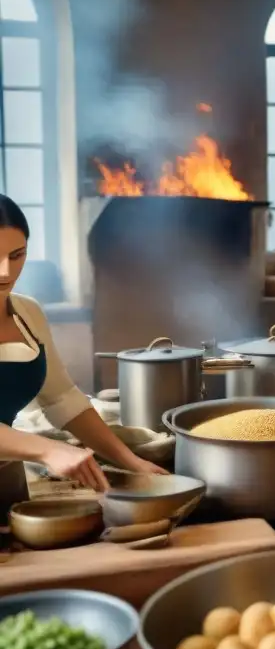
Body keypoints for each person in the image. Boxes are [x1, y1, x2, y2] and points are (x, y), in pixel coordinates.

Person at [0, 194, 167, 520]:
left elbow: (62, 398)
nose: (6, 271)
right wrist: (47, 449)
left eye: (17, 255)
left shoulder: (28, 312)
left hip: (7, 480)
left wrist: (130, 461)